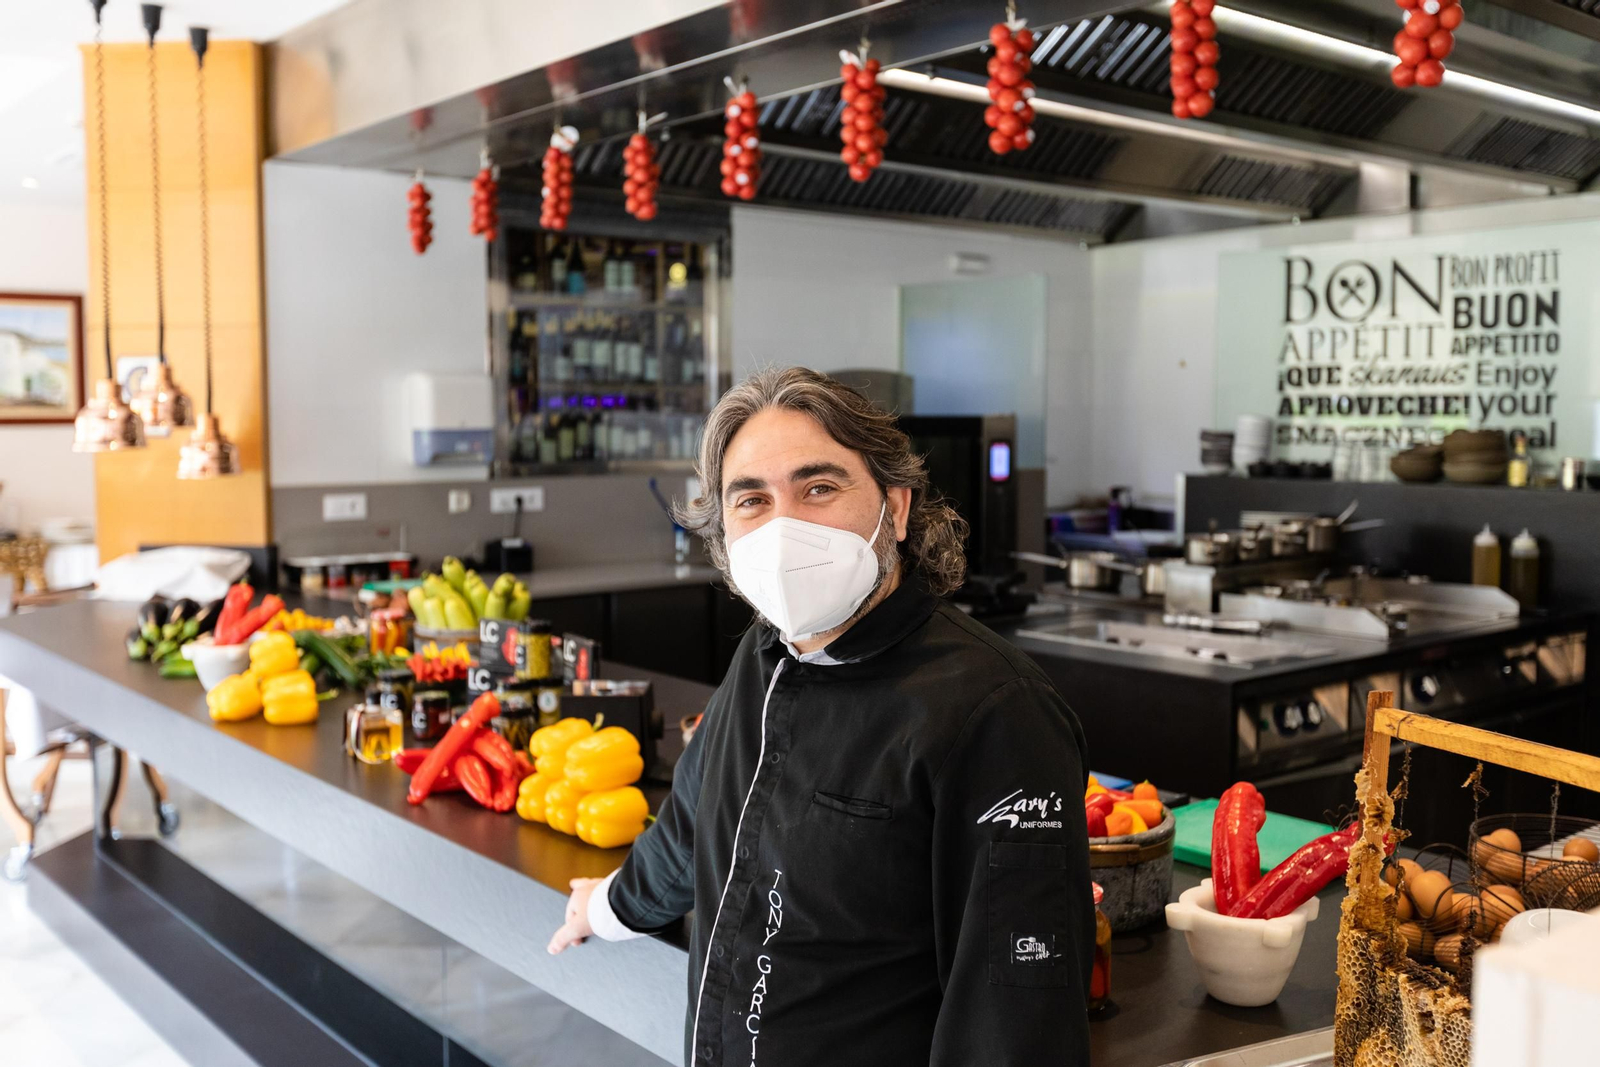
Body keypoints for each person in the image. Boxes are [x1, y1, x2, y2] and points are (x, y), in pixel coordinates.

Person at [548, 367, 1093, 1066]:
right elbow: (696, 821)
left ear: (894, 508)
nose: (785, 527)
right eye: (752, 499)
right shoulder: (764, 655)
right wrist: (606, 908)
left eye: (819, 487)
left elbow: (1018, 1016)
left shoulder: (996, 711)